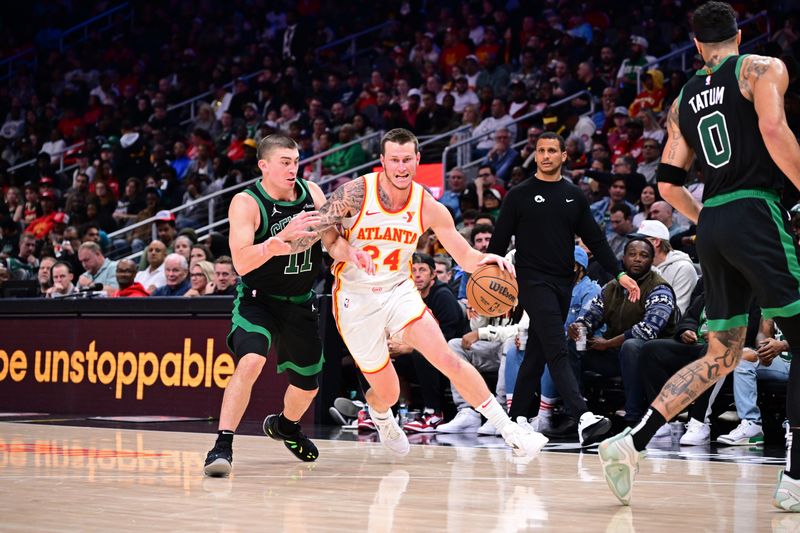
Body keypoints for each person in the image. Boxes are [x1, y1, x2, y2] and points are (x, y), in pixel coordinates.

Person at [599, 2, 800, 511]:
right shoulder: (762, 68)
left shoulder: (684, 98)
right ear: (738, 35)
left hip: (712, 222)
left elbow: (667, 182)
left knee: (721, 354)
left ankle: (632, 441)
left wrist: (706, 217)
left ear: (695, 46)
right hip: (756, 209)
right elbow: (774, 132)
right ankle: (795, 479)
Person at [290, 128, 548, 460]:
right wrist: (338, 250)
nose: (401, 167)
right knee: (389, 391)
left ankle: (510, 430)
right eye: (394, 160)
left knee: (446, 358)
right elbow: (323, 234)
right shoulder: (356, 193)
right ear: (382, 161)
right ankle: (382, 416)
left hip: (400, 289)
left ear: (417, 159)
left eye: (407, 160)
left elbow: (465, 255)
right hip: (356, 297)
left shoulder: (428, 206)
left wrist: (487, 259)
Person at [203, 134, 372, 477]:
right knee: (251, 360)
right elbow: (241, 262)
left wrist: (350, 253)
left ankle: (286, 426)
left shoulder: (312, 193)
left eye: (295, 161)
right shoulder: (246, 202)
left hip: (301, 302)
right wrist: (278, 242)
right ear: (264, 165)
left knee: (308, 386)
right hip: (258, 300)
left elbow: (330, 241)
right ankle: (222, 445)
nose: (292, 168)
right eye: (284, 162)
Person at [488, 131, 641, 447]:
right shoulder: (518, 194)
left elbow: (596, 241)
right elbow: (497, 245)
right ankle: (584, 417)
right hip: (532, 280)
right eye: (540, 150)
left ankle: (516, 420)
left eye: (551, 151)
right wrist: (491, 284)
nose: (545, 156)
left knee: (538, 349)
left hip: (562, 284)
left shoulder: (574, 195)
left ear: (563, 156)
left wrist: (619, 273)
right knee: (557, 345)